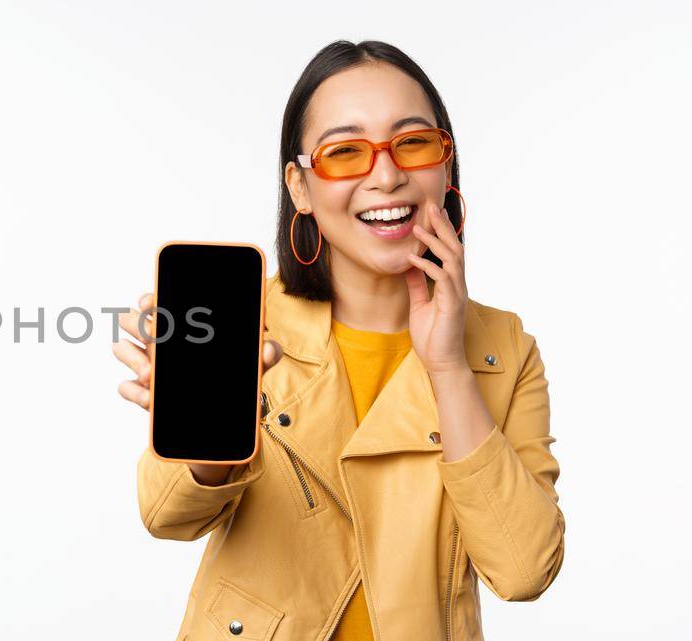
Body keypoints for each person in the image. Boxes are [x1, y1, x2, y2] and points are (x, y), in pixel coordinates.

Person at [111, 40, 564, 641]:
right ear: (299, 188)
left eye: (414, 142)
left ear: (445, 168)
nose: (387, 174)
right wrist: (205, 430)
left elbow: (524, 568)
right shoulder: (245, 321)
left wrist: (449, 366)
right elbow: (166, 517)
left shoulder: (503, 349)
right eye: (345, 151)